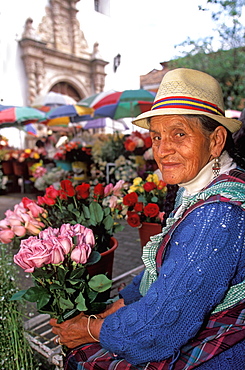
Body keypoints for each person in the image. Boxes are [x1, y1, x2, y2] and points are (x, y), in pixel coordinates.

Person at [50, 68, 245, 370]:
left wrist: (86, 329)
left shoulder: (217, 215)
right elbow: (166, 268)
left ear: (216, 139)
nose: (162, 150)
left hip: (220, 354)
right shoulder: (199, 187)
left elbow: (156, 331)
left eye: (179, 134)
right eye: (156, 136)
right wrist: (117, 306)